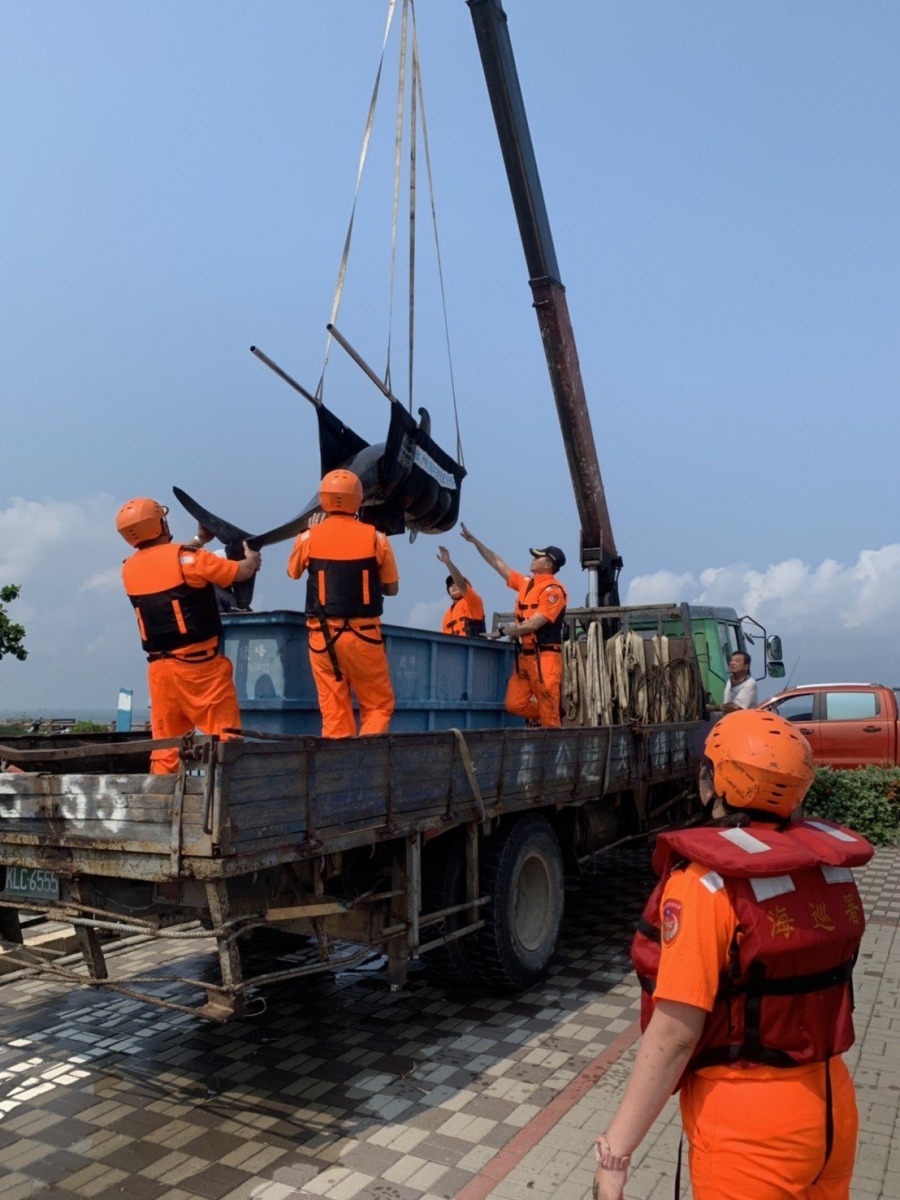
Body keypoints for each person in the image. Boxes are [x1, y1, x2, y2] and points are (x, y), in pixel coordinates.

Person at [593, 708, 873, 1200]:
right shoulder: (826, 869)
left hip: (750, 1130)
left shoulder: (704, 884)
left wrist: (617, 1154)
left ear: (713, 782)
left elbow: (676, 1034)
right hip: (832, 1107)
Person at [117, 497, 261, 774]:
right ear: (160, 524)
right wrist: (252, 560)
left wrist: (199, 539)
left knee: (165, 749)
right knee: (224, 741)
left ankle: (160, 807)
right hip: (201, 671)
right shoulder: (190, 561)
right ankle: (225, 807)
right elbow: (239, 573)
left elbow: (167, 562)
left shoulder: (128, 569)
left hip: (160, 674)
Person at [287, 469, 399, 738]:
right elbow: (392, 589)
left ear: (324, 499)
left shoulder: (308, 537)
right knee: (378, 706)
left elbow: (293, 573)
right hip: (364, 638)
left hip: (323, 639)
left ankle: (337, 771)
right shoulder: (377, 538)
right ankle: (367, 760)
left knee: (334, 710)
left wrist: (312, 531)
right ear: (358, 500)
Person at [459, 525, 567, 727]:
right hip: (524, 657)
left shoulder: (554, 592)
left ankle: (551, 719)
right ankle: (550, 714)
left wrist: (501, 632)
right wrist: (475, 542)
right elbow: (497, 563)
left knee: (549, 717)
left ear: (548, 564)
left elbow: (534, 623)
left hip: (545, 659)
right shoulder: (526, 583)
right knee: (514, 704)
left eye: (537, 556)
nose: (532, 558)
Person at [437, 545, 486, 637]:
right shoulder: (447, 614)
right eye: (450, 585)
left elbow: (462, 586)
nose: (453, 585)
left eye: (456, 583)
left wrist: (448, 563)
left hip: (474, 649)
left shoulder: (473, 602)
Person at [709, 649, 758, 713]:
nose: (732, 663)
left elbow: (736, 706)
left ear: (746, 666)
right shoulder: (729, 681)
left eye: (737, 661)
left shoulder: (750, 683)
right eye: (731, 660)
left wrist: (712, 708)